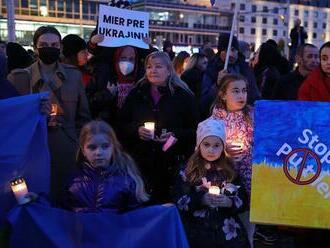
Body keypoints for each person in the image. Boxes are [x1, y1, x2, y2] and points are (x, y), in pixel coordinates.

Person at [7, 26, 91, 204]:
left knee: (65, 201)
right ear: (35, 47)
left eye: (54, 44)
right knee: (37, 201)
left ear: (60, 47)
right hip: (32, 152)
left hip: (66, 151)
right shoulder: (19, 77)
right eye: (44, 44)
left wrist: (75, 143)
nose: (49, 48)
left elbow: (83, 118)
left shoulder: (74, 76)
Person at [118, 51, 198, 204]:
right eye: (149, 67)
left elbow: (195, 130)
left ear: (169, 70)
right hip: (141, 163)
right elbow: (121, 124)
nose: (153, 70)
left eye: (158, 67)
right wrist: (137, 130)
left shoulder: (184, 96)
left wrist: (176, 136)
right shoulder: (136, 93)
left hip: (170, 164)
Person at [174, 118, 249, 248]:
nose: (211, 150)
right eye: (206, 144)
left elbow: (243, 199)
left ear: (223, 147)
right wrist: (201, 200)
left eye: (216, 145)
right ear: (199, 146)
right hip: (196, 234)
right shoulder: (188, 171)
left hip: (228, 236)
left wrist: (230, 202)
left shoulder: (229, 170)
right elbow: (179, 201)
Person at [63, 120, 149, 213]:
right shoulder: (73, 181)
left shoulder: (126, 181)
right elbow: (64, 217)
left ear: (113, 148)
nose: (99, 153)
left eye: (105, 146)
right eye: (92, 147)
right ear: (83, 150)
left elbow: (137, 219)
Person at [210, 74, 256, 247]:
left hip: (251, 180)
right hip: (226, 179)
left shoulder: (253, 115)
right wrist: (223, 151)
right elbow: (203, 148)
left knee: (248, 227)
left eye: (244, 91)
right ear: (223, 94)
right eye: (235, 91)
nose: (241, 95)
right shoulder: (215, 119)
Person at [201, 33, 260, 120]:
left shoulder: (245, 68)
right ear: (220, 52)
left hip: (242, 119)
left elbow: (254, 94)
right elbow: (204, 102)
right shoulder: (212, 70)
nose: (231, 54)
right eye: (226, 50)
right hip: (220, 120)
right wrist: (217, 85)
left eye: (233, 50)